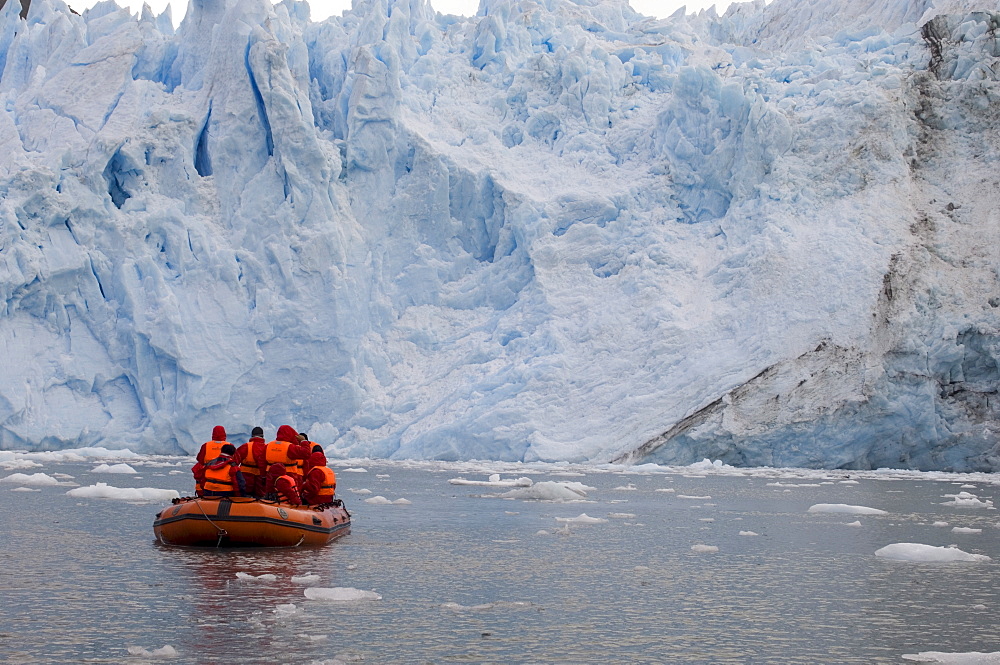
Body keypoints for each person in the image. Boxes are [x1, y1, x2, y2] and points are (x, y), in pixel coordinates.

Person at [262, 425, 311, 497]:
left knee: (271, 495)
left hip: (270, 476)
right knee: (288, 497)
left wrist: (263, 475)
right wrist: (303, 441)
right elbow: (307, 454)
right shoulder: (290, 447)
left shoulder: (268, 446)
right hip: (288, 476)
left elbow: (262, 462)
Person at [192, 425, 228, 496]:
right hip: (225, 480)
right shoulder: (229, 445)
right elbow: (236, 461)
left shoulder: (206, 445)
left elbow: (200, 459)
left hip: (208, 478)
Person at [234, 426, 267, 497]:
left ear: (252, 435)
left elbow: (235, 461)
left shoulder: (245, 446)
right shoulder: (266, 447)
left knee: (245, 496)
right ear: (263, 436)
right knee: (260, 497)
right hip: (261, 478)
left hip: (246, 476)